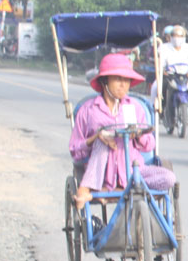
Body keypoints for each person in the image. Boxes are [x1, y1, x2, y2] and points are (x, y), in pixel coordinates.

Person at [69, 52, 176, 208]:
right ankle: (88, 188)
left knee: (169, 178)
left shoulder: (134, 108)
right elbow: (75, 150)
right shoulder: (88, 110)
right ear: (105, 81)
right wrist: (95, 138)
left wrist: (138, 136)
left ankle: (117, 191)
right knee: (103, 138)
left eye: (126, 80)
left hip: (134, 172)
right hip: (100, 175)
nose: (123, 84)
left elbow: (149, 145)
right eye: (118, 79)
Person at [154, 25, 188, 111]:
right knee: (156, 88)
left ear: (184, 37)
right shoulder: (164, 48)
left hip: (185, 77)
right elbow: (159, 63)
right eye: (175, 36)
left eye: (180, 36)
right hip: (169, 77)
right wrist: (162, 71)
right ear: (171, 37)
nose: (177, 38)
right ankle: (158, 109)